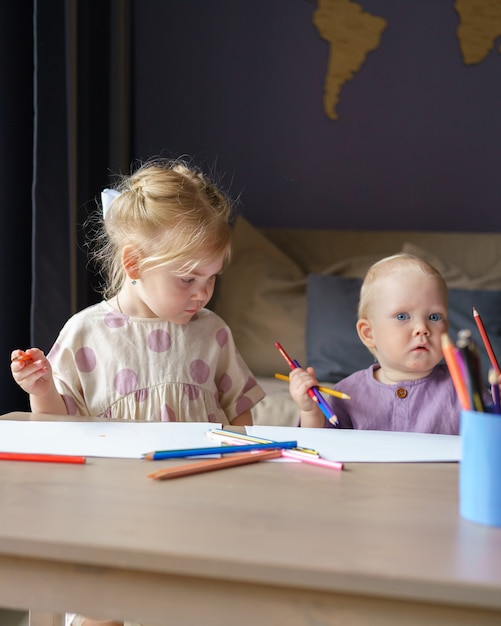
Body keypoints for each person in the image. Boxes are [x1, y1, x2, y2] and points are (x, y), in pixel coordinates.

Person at [11, 158, 265, 626]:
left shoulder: (213, 333)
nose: (203, 293)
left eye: (212, 278)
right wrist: (42, 388)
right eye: (188, 278)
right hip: (109, 517)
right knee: (100, 613)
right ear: (134, 263)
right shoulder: (86, 333)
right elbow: (55, 429)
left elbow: (240, 421)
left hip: (196, 514)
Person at [289, 253, 462, 434]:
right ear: (369, 333)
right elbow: (319, 442)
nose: (422, 328)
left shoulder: (463, 387)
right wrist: (310, 410)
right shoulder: (348, 393)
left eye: (434, 317)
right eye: (402, 316)